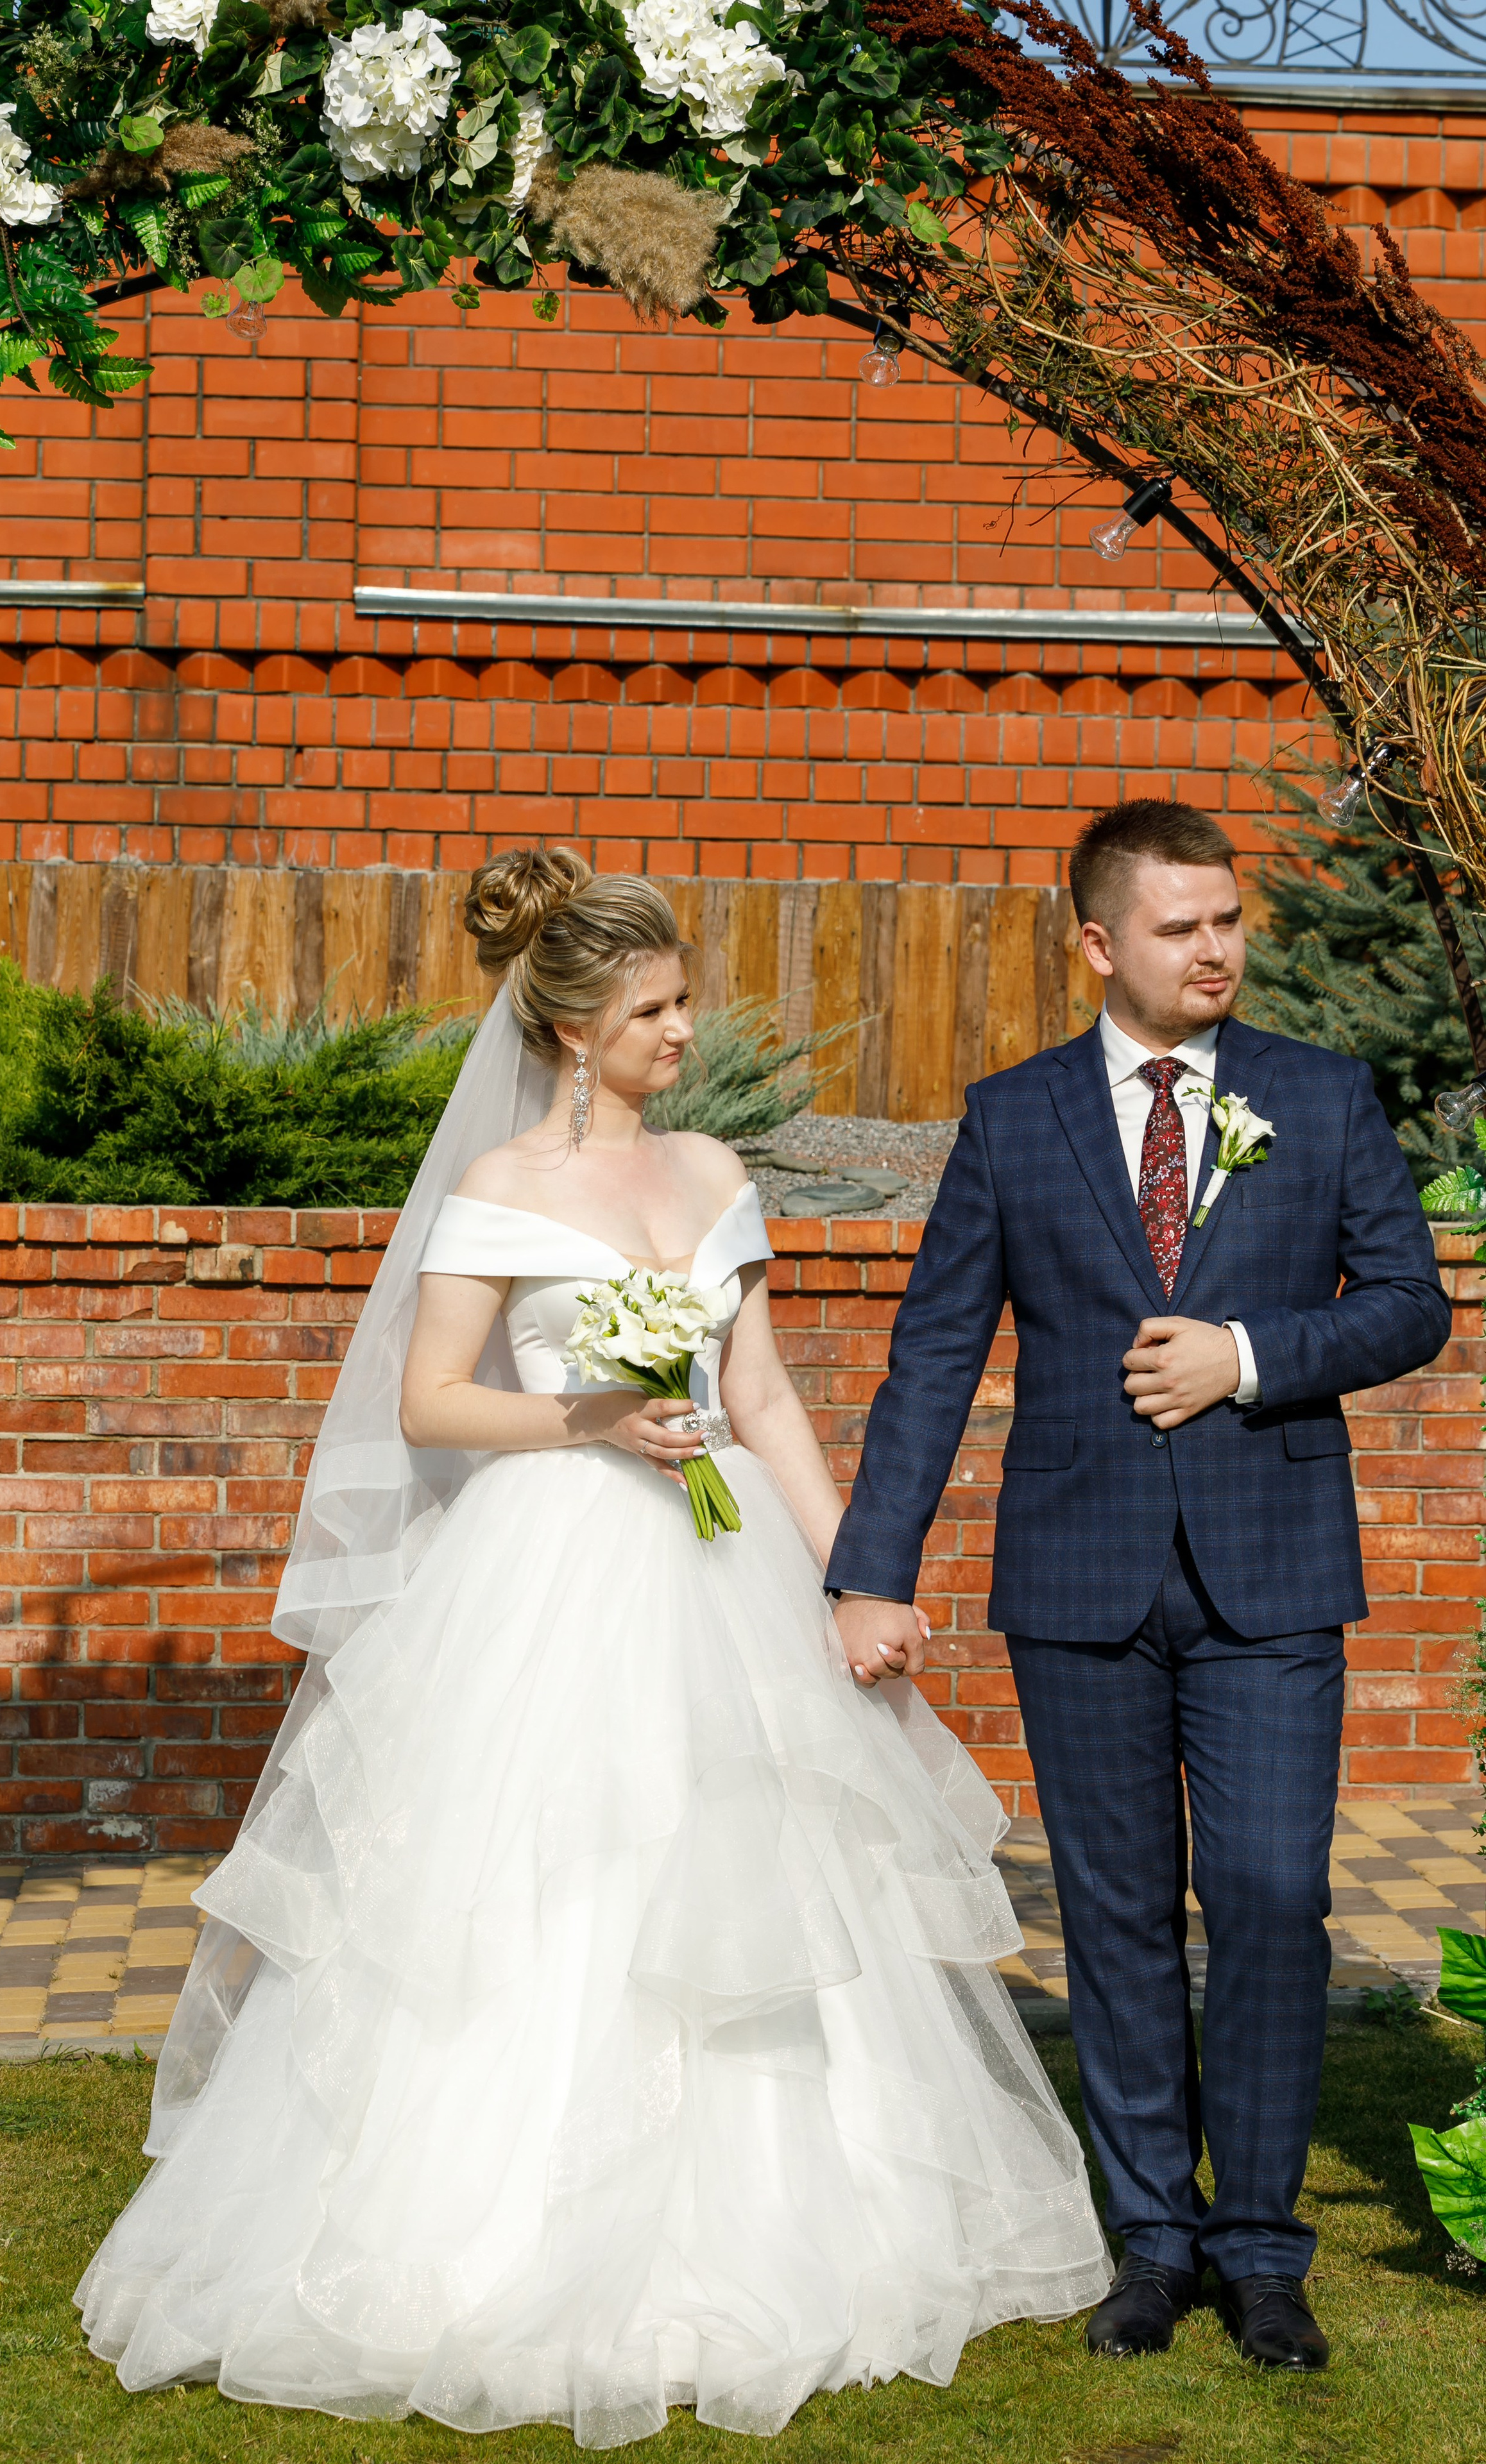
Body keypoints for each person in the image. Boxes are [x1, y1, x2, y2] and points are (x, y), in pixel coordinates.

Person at [76, 849, 1110, 2446]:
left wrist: (857, 1577)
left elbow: (760, 1398)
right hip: (550, 1562)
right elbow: (431, 1402)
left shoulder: (706, 1172)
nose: (683, 1032)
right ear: (573, 1030)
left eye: (682, 1001)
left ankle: (779, 2226)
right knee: (543, 1878)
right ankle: (482, 2237)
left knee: (747, 1864)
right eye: (653, 1008)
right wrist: (589, 1415)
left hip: (717, 1555)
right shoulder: (498, 1192)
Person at [827, 799, 1452, 2375]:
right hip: (1077, 1575)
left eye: (1227, 919)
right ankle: (1151, 2244)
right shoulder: (1011, 1115)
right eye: (1179, 927)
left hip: (1270, 1570)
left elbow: (1403, 1306)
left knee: (1264, 1898)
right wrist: (868, 1573)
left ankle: (1261, 2249)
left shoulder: (1316, 1098)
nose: (1216, 949)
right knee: (1111, 1921)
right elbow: (931, 1355)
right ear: (1097, 944)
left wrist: (1246, 1354)